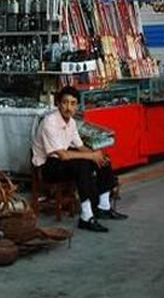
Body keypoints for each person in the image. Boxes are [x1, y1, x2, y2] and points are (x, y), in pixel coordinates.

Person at [32, 86, 128, 232]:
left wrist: (98, 157)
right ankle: (86, 216)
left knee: (103, 160)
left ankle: (103, 207)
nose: (68, 107)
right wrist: (91, 156)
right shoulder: (49, 122)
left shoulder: (71, 123)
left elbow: (80, 146)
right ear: (58, 103)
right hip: (47, 166)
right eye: (65, 103)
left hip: (61, 161)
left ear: (77, 105)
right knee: (82, 165)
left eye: (72, 103)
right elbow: (62, 155)